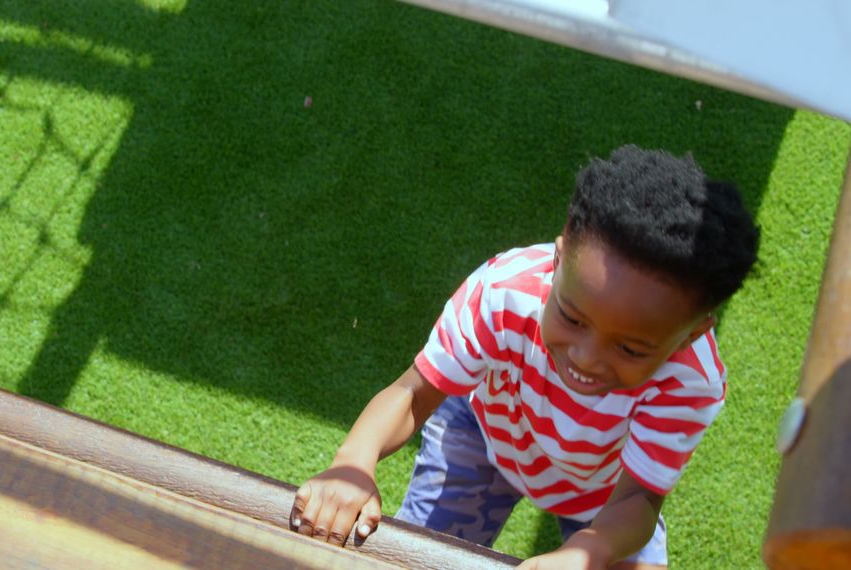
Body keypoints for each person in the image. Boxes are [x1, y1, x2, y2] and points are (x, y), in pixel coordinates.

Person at [288, 145, 760, 569]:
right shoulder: (504, 291)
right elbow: (414, 392)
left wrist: (590, 548)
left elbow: (639, 496)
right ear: (557, 259)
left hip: (605, 491)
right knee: (416, 557)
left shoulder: (691, 380)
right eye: (571, 317)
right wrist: (353, 462)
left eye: (630, 348)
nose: (586, 357)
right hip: (487, 433)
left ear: (692, 334)